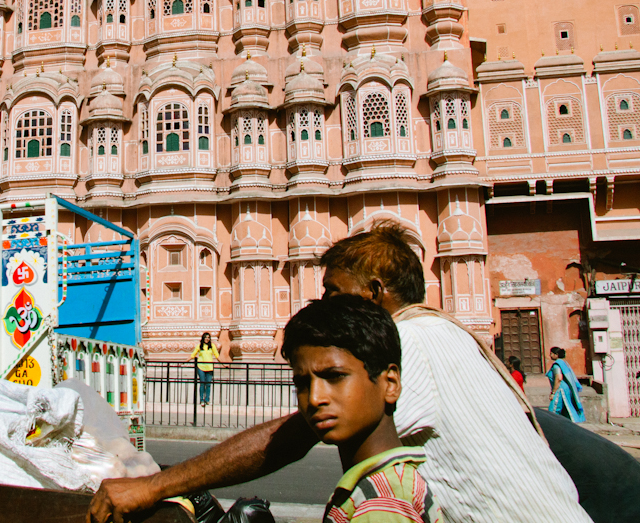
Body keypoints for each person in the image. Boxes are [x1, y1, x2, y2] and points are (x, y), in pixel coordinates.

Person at [90, 223, 592, 523]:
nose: (323, 304)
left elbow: (290, 437)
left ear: (374, 293)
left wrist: (153, 487)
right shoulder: (449, 336)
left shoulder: (413, 340)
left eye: (333, 291)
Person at [282, 294, 442, 523]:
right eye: (302, 383)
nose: (315, 398)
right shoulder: (393, 483)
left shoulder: (379, 507)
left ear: (390, 384)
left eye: (335, 376)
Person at [547, 347, 585, 423]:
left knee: (553, 409)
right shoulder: (564, 363)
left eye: (551, 353)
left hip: (560, 389)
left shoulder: (557, 365)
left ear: (556, 354)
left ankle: (551, 423)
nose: (550, 355)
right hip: (567, 389)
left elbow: (558, 378)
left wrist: (553, 393)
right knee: (567, 407)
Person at [191, 332, 220, 407]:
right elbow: (193, 355)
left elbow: (217, 355)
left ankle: (207, 399)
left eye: (208, 337)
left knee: (208, 384)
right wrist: (184, 362)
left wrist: (223, 364)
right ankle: (201, 399)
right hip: (201, 367)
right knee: (202, 383)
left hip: (209, 367)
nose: (207, 339)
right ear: (203, 338)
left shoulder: (212, 346)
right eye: (206, 337)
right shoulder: (200, 346)